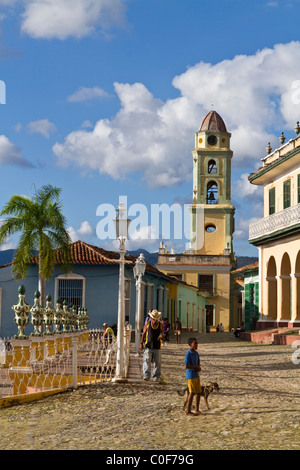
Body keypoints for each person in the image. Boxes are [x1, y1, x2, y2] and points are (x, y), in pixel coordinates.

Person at [140, 309, 163, 381]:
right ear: (151, 318)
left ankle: (156, 376)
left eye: (156, 319)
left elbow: (162, 333)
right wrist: (141, 343)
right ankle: (146, 375)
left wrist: (161, 335)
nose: (155, 321)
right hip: (148, 345)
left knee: (157, 362)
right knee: (147, 360)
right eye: (154, 319)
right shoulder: (147, 324)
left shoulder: (160, 325)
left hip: (157, 346)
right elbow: (143, 334)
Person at [184, 337, 202, 416]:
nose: (196, 345)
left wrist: (198, 368)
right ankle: (188, 410)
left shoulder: (196, 353)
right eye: (195, 344)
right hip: (190, 376)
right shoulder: (188, 354)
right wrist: (195, 367)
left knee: (198, 392)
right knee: (192, 392)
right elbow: (186, 366)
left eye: (197, 343)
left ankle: (196, 409)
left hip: (196, 375)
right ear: (190, 345)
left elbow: (198, 363)